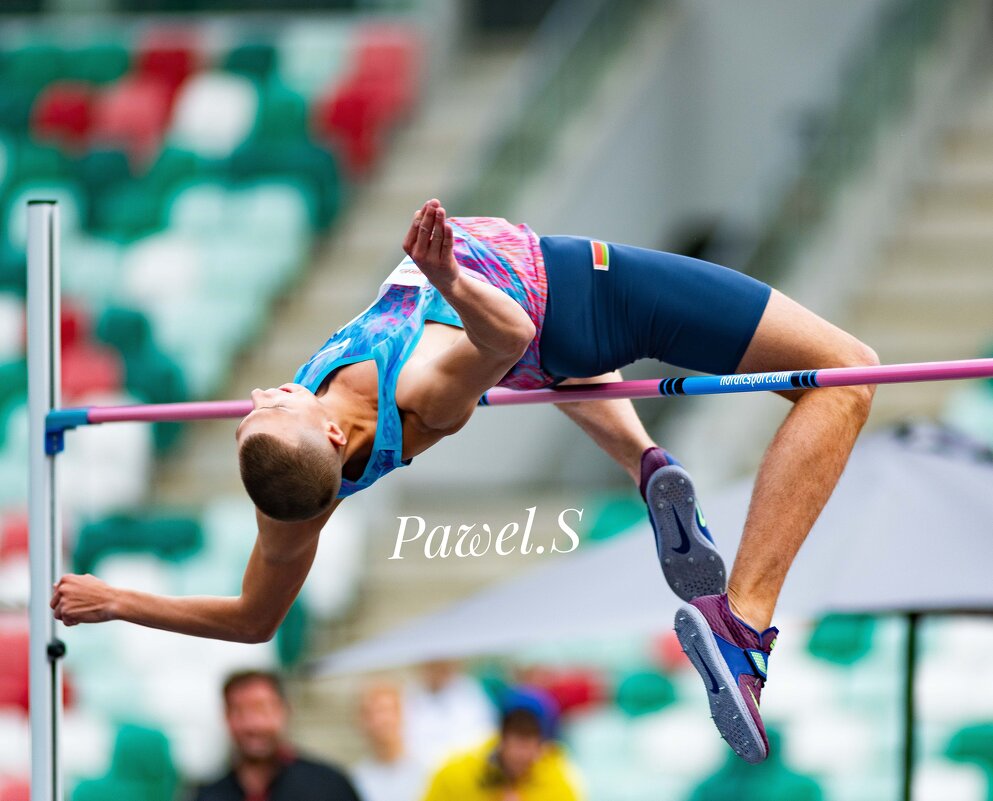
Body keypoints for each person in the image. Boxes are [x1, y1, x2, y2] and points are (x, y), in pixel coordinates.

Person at [52, 198, 879, 765]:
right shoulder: (419, 392)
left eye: (252, 415)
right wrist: (444, 273)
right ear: (335, 436)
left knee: (540, 368)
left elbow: (253, 618)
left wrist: (118, 599)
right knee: (847, 373)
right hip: (584, 295)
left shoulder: (294, 501)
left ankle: (646, 463)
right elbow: (508, 331)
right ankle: (745, 624)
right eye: (275, 410)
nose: (265, 397)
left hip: (544, 349)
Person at [189, 669, 363, 801]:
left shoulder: (329, 786)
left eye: (262, 709)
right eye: (240, 712)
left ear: (285, 711)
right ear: (226, 718)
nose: (253, 724)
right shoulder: (207, 795)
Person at [419, 686, 583, 801]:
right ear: (501, 736)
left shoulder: (558, 784)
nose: (522, 754)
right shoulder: (454, 775)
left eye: (532, 742)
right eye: (518, 739)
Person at [353, 681, 429, 801]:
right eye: (369, 713)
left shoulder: (428, 770)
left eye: (384, 710)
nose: (378, 721)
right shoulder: (356, 779)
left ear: (401, 714)